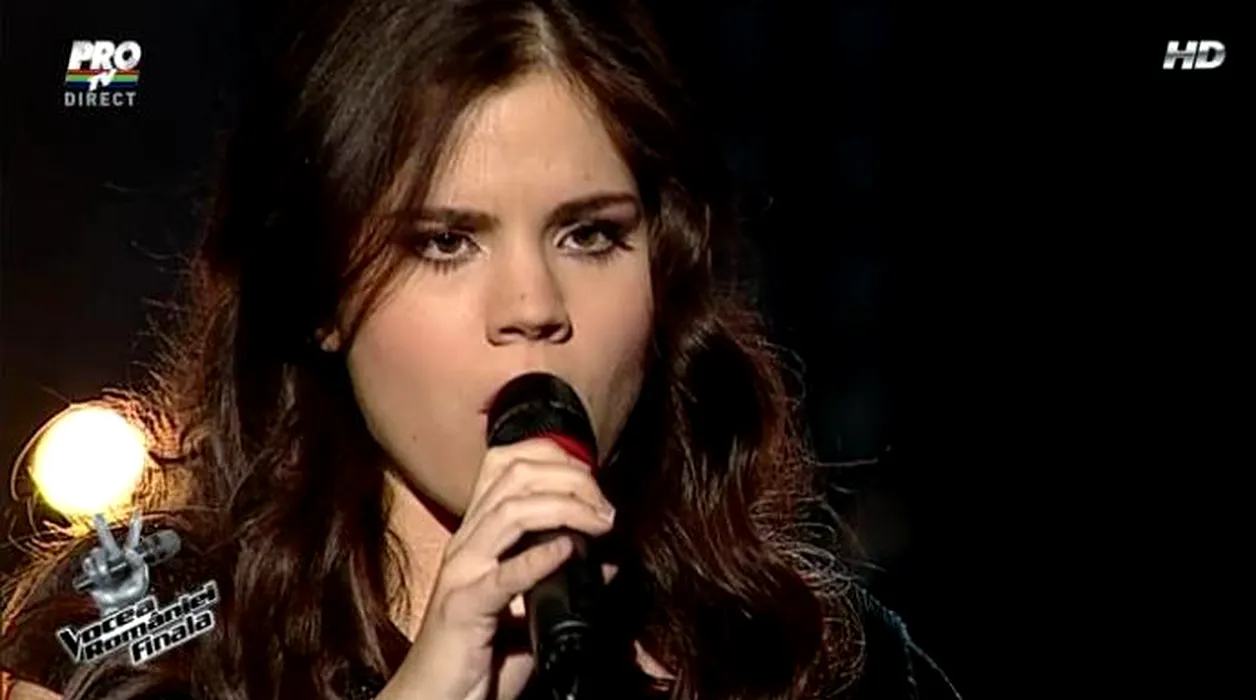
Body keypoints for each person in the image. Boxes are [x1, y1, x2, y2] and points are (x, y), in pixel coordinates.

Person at [0, 0, 962, 698]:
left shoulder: (812, 659)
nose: (533, 308)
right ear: (318, 292)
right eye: (446, 242)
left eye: (589, 235)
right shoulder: (134, 639)